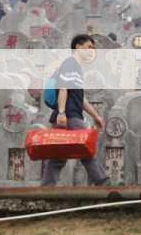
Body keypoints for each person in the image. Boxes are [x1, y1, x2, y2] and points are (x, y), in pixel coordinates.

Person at [42, 34, 109, 186]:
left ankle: (47, 186)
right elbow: (63, 88)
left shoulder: (75, 67)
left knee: (58, 155)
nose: (92, 51)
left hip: (68, 115)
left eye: (93, 48)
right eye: (89, 47)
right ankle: (102, 181)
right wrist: (61, 113)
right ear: (78, 47)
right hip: (70, 117)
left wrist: (96, 116)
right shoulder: (70, 64)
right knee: (85, 147)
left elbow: (81, 100)